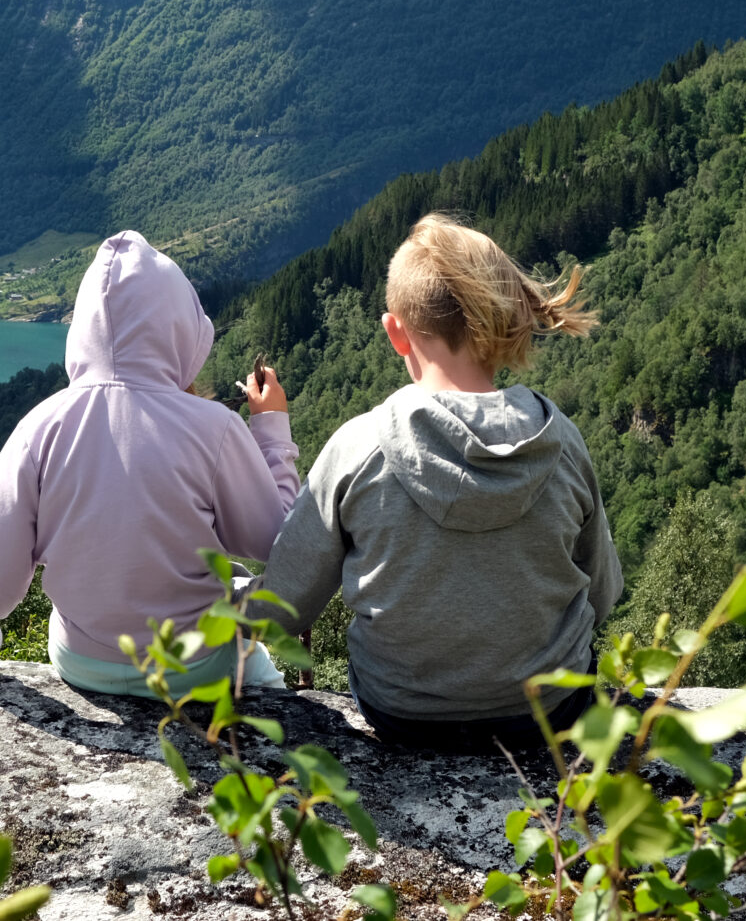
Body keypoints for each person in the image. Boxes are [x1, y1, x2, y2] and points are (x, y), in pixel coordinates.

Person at [255, 213, 622, 754]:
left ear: (395, 331)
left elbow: (281, 610)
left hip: (402, 713)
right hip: (546, 711)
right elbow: (603, 593)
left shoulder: (359, 447)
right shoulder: (560, 440)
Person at [0, 231, 299, 696]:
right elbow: (277, 541)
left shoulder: (42, 425)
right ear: (183, 329)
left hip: (82, 663)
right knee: (259, 665)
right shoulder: (214, 426)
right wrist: (272, 427)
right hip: (193, 669)